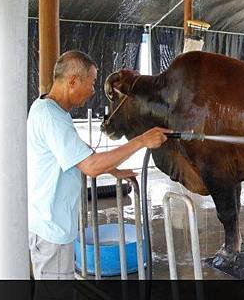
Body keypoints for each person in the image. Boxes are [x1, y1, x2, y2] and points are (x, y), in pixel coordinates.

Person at [27, 50, 170, 279]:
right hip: (51, 229)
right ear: (73, 81)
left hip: (52, 224)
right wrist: (142, 140)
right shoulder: (51, 117)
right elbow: (90, 165)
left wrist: (114, 170)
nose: (93, 91)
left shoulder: (51, 109)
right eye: (92, 82)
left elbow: (78, 152)